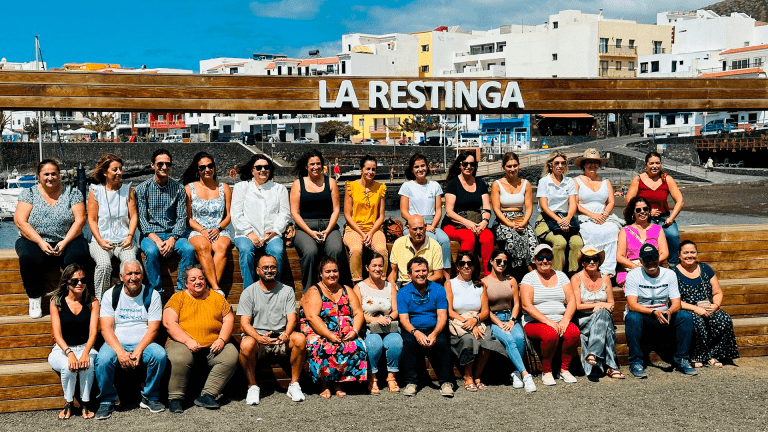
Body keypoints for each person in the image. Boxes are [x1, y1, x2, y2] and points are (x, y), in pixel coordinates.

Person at [14, 158, 90, 318]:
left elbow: (80, 220)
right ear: (39, 176)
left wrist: (65, 242)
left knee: (78, 255)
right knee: (28, 256)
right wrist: (41, 242)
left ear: (59, 175)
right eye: (46, 174)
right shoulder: (29, 194)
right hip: (34, 239)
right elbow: (20, 221)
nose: (50, 177)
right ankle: (34, 297)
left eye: (54, 174)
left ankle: (75, 296)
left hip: (68, 238)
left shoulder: (72, 193)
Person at [95, 259, 167, 420]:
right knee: (103, 359)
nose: (133, 277)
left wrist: (138, 350)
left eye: (137, 273)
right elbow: (106, 328)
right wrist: (120, 352)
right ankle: (107, 401)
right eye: (129, 274)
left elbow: (154, 328)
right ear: (121, 277)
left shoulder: (152, 294)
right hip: (116, 342)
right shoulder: (111, 294)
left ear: (142, 275)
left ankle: (150, 397)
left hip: (143, 342)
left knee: (159, 355)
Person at [163, 264, 238, 412]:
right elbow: (168, 322)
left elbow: (229, 318)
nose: (198, 282)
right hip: (181, 342)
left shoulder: (216, 297)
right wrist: (187, 341)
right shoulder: (178, 298)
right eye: (193, 279)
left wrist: (222, 339)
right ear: (186, 283)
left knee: (231, 355)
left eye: (201, 278)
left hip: (212, 344)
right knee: (180, 358)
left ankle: (208, 395)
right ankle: (175, 398)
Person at [238, 255, 307, 405]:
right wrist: (258, 337)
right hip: (258, 339)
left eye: (273, 267)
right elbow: (244, 323)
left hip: (281, 337)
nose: (269, 271)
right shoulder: (249, 292)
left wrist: (286, 334)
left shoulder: (287, 290)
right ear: (258, 270)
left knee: (300, 339)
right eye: (265, 268)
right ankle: (252, 386)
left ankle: (294, 385)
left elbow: (292, 318)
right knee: (245, 345)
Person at [624, 244, 697, 378]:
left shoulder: (669, 274)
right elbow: (632, 305)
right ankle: (636, 361)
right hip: (644, 316)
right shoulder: (633, 275)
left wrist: (669, 311)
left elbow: (676, 302)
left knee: (685, 316)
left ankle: (682, 359)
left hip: (664, 314)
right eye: (647, 259)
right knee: (632, 317)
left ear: (659, 259)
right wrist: (653, 312)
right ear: (641, 261)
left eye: (654, 258)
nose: (651, 262)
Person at [300, 257, 368, 398]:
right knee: (325, 346)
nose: (332, 274)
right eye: (328, 272)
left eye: (335, 271)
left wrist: (354, 331)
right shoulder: (315, 291)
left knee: (357, 344)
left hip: (344, 331)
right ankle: (324, 383)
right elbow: (312, 317)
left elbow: (358, 312)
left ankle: (338, 382)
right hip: (319, 331)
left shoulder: (346, 289)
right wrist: (329, 335)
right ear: (321, 274)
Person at [446, 252, 508, 392]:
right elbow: (449, 311)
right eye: (463, 263)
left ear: (474, 266)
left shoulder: (480, 285)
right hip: (459, 320)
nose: (466, 266)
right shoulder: (450, 284)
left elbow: (485, 311)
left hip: (477, 319)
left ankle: (478, 376)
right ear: (457, 266)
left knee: (486, 340)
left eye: (470, 263)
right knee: (469, 340)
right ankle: (468, 377)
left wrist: (475, 320)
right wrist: (468, 323)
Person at [135, 149, 195, 294]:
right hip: (150, 234)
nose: (164, 167)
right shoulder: (142, 189)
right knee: (151, 251)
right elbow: (142, 219)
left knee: (189, 249)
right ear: (152, 165)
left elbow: (181, 218)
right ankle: (157, 292)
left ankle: (181, 290)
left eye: (167, 164)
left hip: (172, 233)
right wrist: (156, 239)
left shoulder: (179, 189)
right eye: (160, 164)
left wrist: (172, 239)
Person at [520, 244, 580, 386]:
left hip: (559, 319)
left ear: (553, 259)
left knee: (573, 332)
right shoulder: (529, 278)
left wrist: (565, 320)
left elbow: (572, 301)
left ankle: (564, 370)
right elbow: (526, 305)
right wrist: (548, 321)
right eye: (540, 257)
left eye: (548, 257)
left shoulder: (561, 276)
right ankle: (547, 371)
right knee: (550, 334)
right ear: (534, 260)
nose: (544, 261)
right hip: (534, 322)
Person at [673, 240, 739, 367]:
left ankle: (714, 355)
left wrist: (715, 305)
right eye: (685, 253)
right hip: (685, 308)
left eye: (692, 252)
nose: (689, 255)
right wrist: (696, 309)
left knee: (723, 319)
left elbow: (717, 292)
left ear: (697, 253)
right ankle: (697, 356)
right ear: (679, 255)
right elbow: (674, 300)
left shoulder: (705, 268)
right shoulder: (673, 272)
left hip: (707, 307)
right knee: (696, 321)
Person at [397, 256, 455, 397]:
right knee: (409, 344)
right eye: (417, 271)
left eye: (424, 270)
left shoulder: (438, 290)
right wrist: (416, 333)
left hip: (434, 327)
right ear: (409, 274)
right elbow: (404, 319)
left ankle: (446, 383)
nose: (421, 274)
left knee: (442, 343)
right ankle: (411, 382)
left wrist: (434, 334)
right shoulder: (403, 293)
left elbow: (442, 316)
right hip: (413, 328)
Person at [47, 264, 99, 419]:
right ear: (67, 283)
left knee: (87, 365)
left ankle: (85, 403)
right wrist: (69, 353)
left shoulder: (92, 302)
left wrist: (85, 353)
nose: (79, 284)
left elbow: (93, 332)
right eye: (75, 281)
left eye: (83, 280)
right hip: (62, 348)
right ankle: (68, 402)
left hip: (86, 346)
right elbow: (57, 334)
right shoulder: (56, 302)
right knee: (68, 366)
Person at [232, 154, 290, 287]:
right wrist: (249, 233)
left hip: (271, 234)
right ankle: (249, 290)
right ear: (252, 170)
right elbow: (236, 214)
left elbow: (284, 214)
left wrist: (275, 231)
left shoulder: (279, 189)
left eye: (266, 167)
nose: (262, 170)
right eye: (258, 167)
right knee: (246, 250)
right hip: (245, 234)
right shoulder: (242, 187)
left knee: (276, 251)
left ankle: (275, 288)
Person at [290, 150, 344, 291]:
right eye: (312, 164)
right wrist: (311, 232)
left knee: (336, 249)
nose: (315, 167)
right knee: (310, 251)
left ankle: (335, 289)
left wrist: (327, 230)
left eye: (318, 164)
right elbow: (294, 213)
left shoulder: (331, 182)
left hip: (329, 226)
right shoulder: (298, 184)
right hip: (304, 228)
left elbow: (336, 210)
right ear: (306, 167)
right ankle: (309, 291)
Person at [482, 249, 536, 392]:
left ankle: (515, 372)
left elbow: (516, 304)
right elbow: (485, 308)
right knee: (509, 340)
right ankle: (526, 374)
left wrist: (512, 320)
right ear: (491, 261)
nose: (502, 264)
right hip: (494, 319)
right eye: (498, 261)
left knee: (519, 338)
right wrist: (499, 323)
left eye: (505, 262)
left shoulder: (511, 280)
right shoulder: (484, 282)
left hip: (510, 317)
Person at [87, 154, 138, 300]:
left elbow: (133, 216)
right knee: (104, 266)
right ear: (105, 172)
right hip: (101, 240)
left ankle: (131, 298)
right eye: (115, 169)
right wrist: (100, 240)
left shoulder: (128, 190)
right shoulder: (95, 191)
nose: (119, 173)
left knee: (131, 265)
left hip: (124, 240)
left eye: (120, 169)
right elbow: (91, 219)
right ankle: (101, 301)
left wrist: (130, 236)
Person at [181, 152, 232, 294]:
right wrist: (202, 230)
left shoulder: (224, 188)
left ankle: (209, 289)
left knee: (222, 246)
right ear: (198, 171)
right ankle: (215, 289)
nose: (207, 170)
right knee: (203, 246)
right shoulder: (189, 189)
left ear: (214, 168)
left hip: (218, 229)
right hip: (196, 229)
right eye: (202, 167)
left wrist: (218, 228)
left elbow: (229, 216)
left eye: (210, 166)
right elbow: (188, 217)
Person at [570, 246, 623, 379]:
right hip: (583, 319)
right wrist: (599, 304)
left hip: (602, 316)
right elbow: (577, 305)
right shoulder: (576, 278)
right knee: (608, 327)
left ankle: (593, 353)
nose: (592, 262)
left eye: (595, 259)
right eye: (588, 259)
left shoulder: (605, 278)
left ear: (599, 262)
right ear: (582, 262)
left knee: (603, 314)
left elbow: (611, 303)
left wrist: (602, 307)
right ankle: (612, 367)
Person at [353, 252, 402, 394]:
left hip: (388, 326)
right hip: (369, 327)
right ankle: (372, 378)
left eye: (381, 266)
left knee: (396, 342)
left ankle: (391, 378)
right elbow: (357, 312)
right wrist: (374, 319)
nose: (377, 269)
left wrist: (390, 318)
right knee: (374, 344)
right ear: (367, 267)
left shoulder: (390, 286)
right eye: (374, 265)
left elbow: (396, 310)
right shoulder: (359, 287)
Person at [624, 151, 684, 265]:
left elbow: (680, 200)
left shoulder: (667, 179)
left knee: (673, 236)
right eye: (651, 163)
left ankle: (673, 266)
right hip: (644, 220)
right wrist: (646, 212)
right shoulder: (638, 179)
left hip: (664, 218)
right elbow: (629, 200)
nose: (655, 166)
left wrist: (671, 218)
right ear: (646, 165)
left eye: (657, 163)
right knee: (647, 240)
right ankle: (648, 264)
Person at [399, 153, 452, 280]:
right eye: (416, 167)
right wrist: (421, 225)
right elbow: (403, 211)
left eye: (422, 166)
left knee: (444, 240)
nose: (420, 169)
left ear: (427, 167)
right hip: (414, 224)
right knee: (429, 239)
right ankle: (424, 274)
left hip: (432, 223)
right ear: (412, 169)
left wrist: (432, 225)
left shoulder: (435, 186)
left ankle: (446, 277)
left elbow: (439, 210)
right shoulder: (407, 186)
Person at [572, 148, 622, 277]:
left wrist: (604, 214)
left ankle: (608, 269)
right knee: (590, 231)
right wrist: (592, 215)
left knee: (613, 229)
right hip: (585, 216)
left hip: (604, 216)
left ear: (599, 165)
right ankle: (591, 265)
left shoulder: (605, 181)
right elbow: (575, 204)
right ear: (583, 164)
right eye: (589, 162)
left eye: (596, 162)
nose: (592, 165)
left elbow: (611, 201)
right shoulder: (576, 181)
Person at [443, 151, 494, 274]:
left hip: (476, 223)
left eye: (472, 164)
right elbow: (449, 212)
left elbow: (487, 208)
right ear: (460, 165)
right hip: (454, 224)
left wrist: (484, 223)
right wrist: (468, 224)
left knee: (488, 236)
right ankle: (462, 272)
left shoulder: (481, 184)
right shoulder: (453, 184)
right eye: (465, 164)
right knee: (468, 237)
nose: (468, 167)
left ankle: (488, 274)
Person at [534, 150, 583, 275]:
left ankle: (573, 274)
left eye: (563, 163)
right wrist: (559, 220)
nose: (560, 166)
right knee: (560, 242)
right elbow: (544, 206)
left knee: (577, 243)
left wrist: (567, 218)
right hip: (547, 219)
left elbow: (573, 204)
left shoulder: (569, 182)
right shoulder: (544, 182)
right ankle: (557, 274)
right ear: (551, 164)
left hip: (566, 218)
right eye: (557, 163)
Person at [491, 152, 537, 282]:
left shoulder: (525, 183)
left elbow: (529, 208)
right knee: (512, 240)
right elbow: (496, 209)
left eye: (515, 165)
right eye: (509, 166)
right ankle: (513, 275)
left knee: (531, 239)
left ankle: (531, 275)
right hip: (503, 220)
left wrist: (523, 223)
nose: (512, 169)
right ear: (503, 167)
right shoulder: (497, 184)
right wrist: (510, 224)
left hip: (521, 218)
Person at [343, 155, 388, 283]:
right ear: (361, 170)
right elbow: (347, 215)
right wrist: (363, 234)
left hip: (374, 228)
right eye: (367, 169)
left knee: (381, 250)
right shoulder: (351, 186)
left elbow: (381, 217)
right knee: (356, 250)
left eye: (373, 169)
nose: (370, 172)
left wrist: (371, 232)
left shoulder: (380, 188)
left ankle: (381, 281)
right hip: (353, 229)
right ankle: (357, 282)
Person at [617, 197, 669, 286]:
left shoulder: (658, 229)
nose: (642, 212)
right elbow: (619, 256)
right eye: (638, 210)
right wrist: (636, 267)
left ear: (649, 211)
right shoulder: (625, 230)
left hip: (653, 266)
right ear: (633, 212)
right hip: (632, 267)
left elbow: (664, 253)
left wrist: (651, 264)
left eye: (645, 209)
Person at [388, 215, 444, 287]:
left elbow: (438, 275)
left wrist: (417, 283)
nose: (418, 232)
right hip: (404, 283)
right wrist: (392, 284)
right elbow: (393, 271)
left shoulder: (434, 245)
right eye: (415, 229)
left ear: (425, 227)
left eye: (421, 228)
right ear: (408, 229)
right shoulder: (399, 243)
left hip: (426, 282)